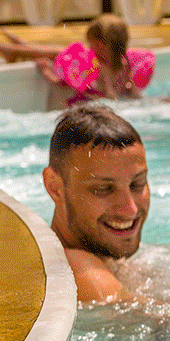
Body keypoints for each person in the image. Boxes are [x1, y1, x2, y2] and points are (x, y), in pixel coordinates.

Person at [42, 104, 149, 304]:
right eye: (103, 189)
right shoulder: (77, 268)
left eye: (137, 184)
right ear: (55, 187)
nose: (130, 210)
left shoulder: (102, 257)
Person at [0, 15, 154, 109]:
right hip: (102, 107)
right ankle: (20, 46)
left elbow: (63, 85)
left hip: (81, 108)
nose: (89, 48)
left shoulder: (98, 66)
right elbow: (130, 93)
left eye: (90, 43)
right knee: (62, 54)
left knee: (61, 54)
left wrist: (45, 73)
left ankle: (18, 48)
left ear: (99, 44)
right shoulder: (125, 64)